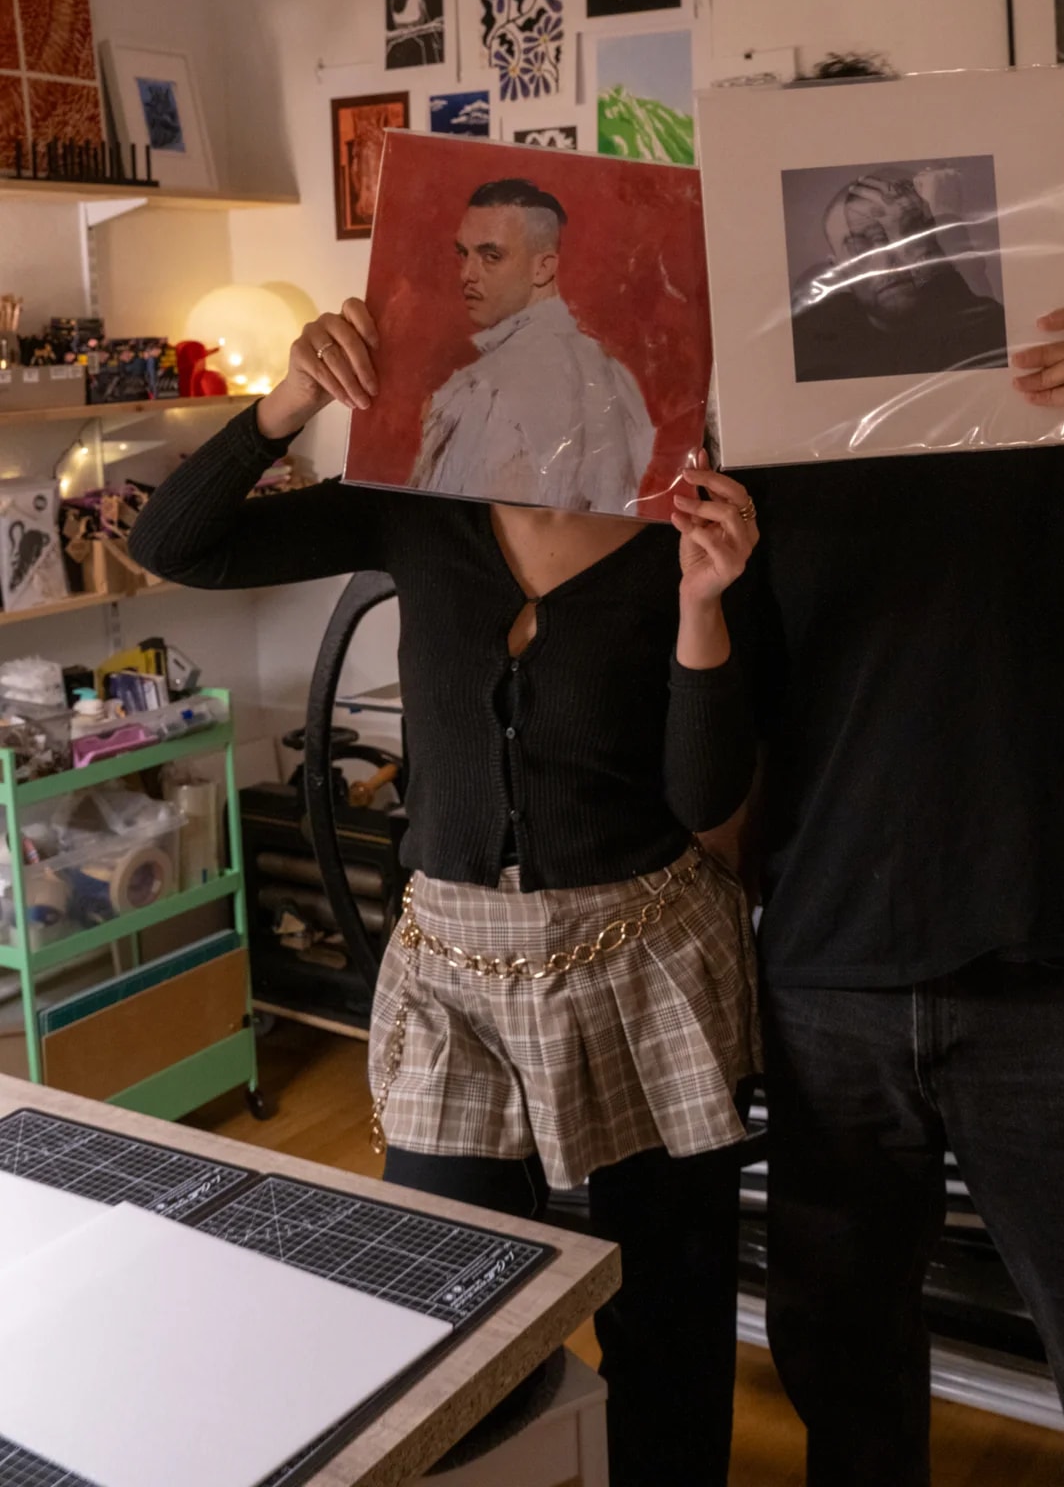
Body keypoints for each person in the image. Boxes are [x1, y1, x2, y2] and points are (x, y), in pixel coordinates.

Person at [129, 299, 762, 1487]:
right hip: (454, 971)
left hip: (645, 957)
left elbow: (703, 794)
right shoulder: (417, 506)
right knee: (439, 1300)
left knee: (669, 1316)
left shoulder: (696, 527)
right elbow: (175, 546)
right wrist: (286, 406)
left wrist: (702, 610)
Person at [740, 288, 1064, 1485]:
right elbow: (729, 706)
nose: (877, 257)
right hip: (826, 971)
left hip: (1049, 967)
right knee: (840, 1359)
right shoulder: (763, 420)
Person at [410, 178, 655, 512]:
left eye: (491, 256)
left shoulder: (484, 387)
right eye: (463, 254)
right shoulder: (613, 374)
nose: (467, 273)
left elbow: (434, 526)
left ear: (543, 268)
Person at [788, 170, 1008, 382]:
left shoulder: (989, 327)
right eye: (859, 249)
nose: (887, 264)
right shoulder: (812, 340)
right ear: (837, 268)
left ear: (933, 240)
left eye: (910, 235)